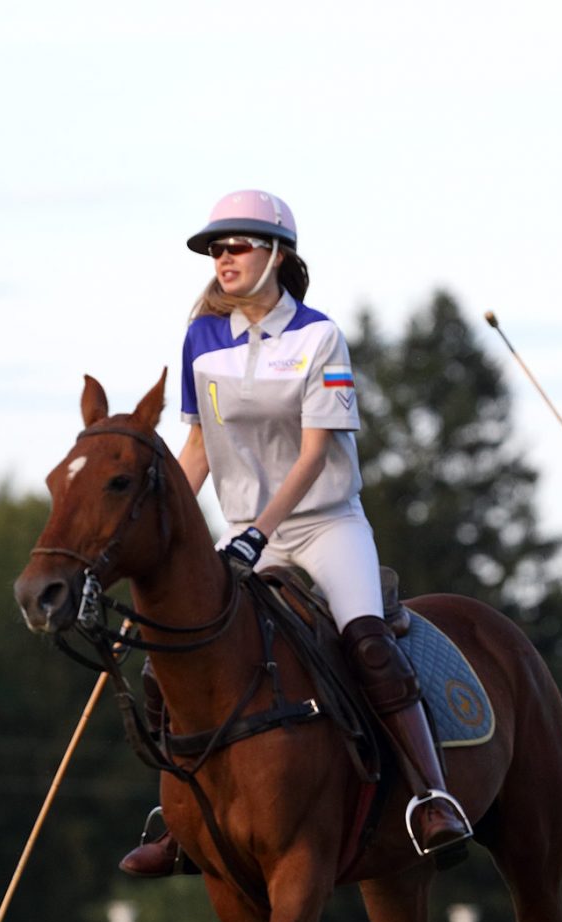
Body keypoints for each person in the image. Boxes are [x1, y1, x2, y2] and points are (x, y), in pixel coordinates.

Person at [120, 189, 472, 876]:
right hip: (245, 531)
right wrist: (166, 531)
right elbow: (197, 448)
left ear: (277, 253)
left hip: (324, 524)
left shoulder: (319, 336)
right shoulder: (202, 338)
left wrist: (262, 532)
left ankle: (432, 795)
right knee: (171, 655)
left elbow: (315, 455)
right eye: (216, 250)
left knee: (367, 642)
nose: (224, 259)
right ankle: (182, 818)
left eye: (238, 246)